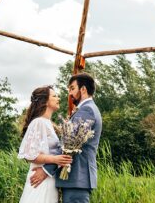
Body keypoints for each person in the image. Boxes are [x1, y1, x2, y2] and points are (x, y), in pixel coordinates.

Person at [31, 73, 102, 203]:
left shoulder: (87, 110)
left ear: (83, 89)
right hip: (76, 179)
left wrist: (46, 170)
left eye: (72, 88)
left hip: (77, 177)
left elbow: (69, 145)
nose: (69, 93)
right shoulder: (88, 109)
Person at [18, 86, 73, 203]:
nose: (58, 98)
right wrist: (55, 159)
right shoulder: (38, 122)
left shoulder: (48, 123)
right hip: (40, 179)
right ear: (45, 101)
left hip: (49, 178)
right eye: (54, 96)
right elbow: (30, 155)